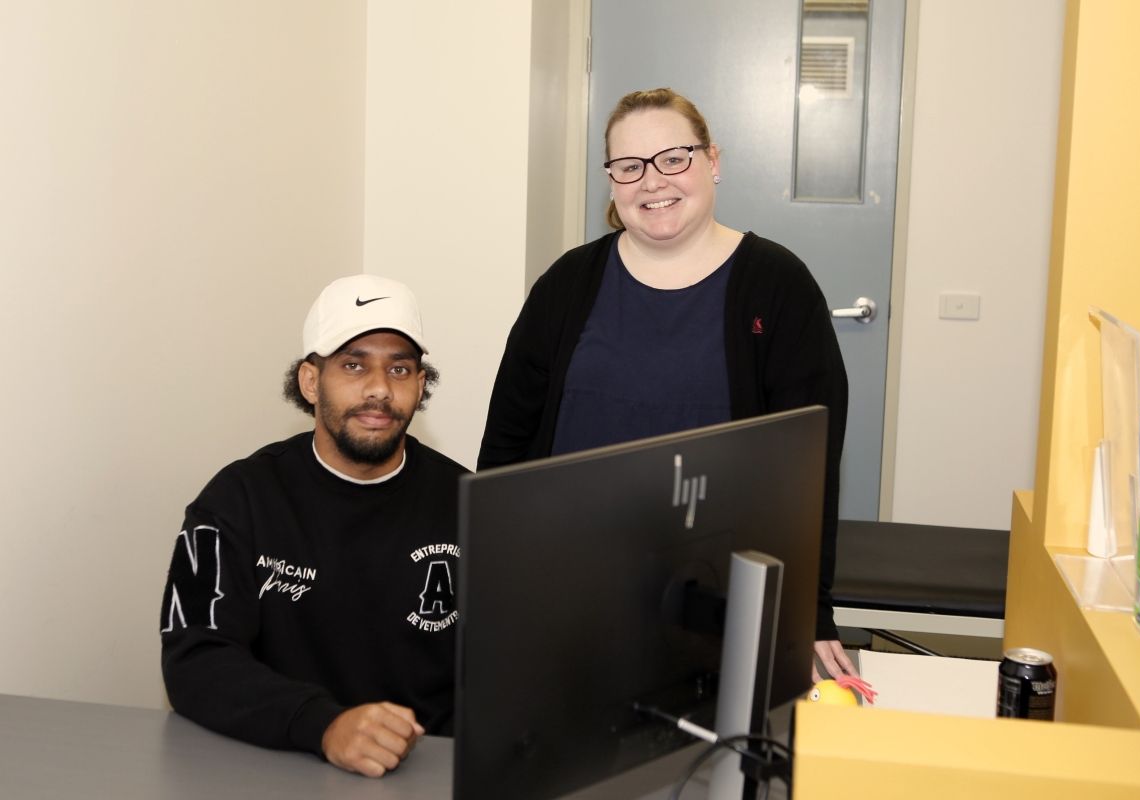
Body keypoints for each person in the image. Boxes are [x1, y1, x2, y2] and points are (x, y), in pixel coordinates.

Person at [478, 87, 856, 683]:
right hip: (569, 596)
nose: (652, 182)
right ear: (611, 183)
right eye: (629, 167)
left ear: (713, 161)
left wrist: (811, 610)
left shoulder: (777, 286)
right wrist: (492, 578)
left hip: (719, 605)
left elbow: (809, 466)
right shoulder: (567, 285)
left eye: (673, 158)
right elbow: (507, 443)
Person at [160, 274, 466, 778]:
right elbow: (194, 659)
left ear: (420, 384)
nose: (379, 390)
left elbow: (511, 666)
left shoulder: (467, 500)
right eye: (352, 365)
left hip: (432, 771)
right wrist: (324, 725)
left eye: (400, 368)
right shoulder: (237, 500)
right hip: (279, 761)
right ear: (309, 380)